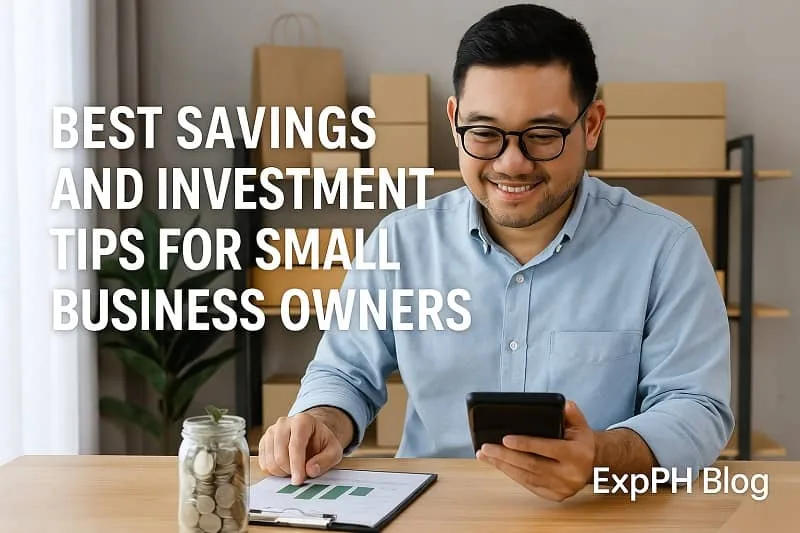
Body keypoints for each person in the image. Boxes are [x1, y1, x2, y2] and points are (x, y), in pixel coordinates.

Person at [258, 3, 734, 502]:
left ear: (591, 126)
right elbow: (344, 373)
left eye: (543, 135)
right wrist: (320, 422)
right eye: (484, 132)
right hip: (434, 512)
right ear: (454, 120)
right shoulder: (401, 242)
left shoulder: (665, 248)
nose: (511, 163)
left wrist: (600, 456)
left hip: (599, 511)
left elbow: (695, 407)